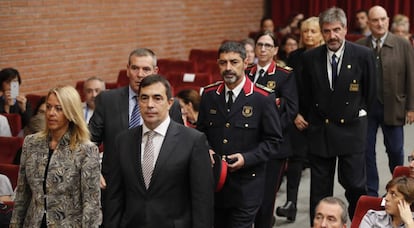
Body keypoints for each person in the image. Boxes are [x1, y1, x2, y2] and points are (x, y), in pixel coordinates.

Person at [104, 75, 214, 227]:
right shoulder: (123, 141)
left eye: (157, 98)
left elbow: (202, 201)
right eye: (144, 98)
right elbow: (114, 197)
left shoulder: (193, 141)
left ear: (169, 103)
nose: (150, 105)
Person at [301, 7, 376, 225]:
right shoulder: (310, 58)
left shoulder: (363, 55)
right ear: (321, 32)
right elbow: (306, 94)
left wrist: (358, 113)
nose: (332, 36)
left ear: (344, 29)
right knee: (319, 190)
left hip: (351, 131)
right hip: (321, 131)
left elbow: (370, 94)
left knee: (355, 186)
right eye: (327, 31)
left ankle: (355, 222)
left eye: (336, 30)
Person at [197, 41, 283, 228]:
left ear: (246, 63)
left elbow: (274, 142)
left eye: (234, 62)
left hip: (247, 185)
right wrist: (207, 150)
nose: (228, 68)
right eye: (223, 63)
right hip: (215, 184)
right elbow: (201, 133)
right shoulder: (210, 95)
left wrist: (247, 158)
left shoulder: (262, 97)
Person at [9, 86, 102, 227]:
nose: (51, 113)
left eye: (59, 108)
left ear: (71, 112)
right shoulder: (31, 143)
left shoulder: (86, 150)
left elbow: (91, 204)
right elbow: (23, 193)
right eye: (49, 107)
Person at [356, 5, 414, 197]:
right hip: (367, 108)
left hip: (394, 106)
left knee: (396, 151)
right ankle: (371, 191)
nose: (379, 23)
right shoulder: (360, 45)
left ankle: (398, 189)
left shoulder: (402, 44)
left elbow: (411, 77)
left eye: (383, 19)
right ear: (368, 22)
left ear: (388, 20)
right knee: (366, 152)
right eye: (375, 20)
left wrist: (411, 107)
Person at [245, 30, 298, 227]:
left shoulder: (284, 75)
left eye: (268, 45)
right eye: (260, 44)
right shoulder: (247, 72)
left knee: (266, 198)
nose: (263, 49)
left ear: (276, 50)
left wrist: (270, 131)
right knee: (247, 195)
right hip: (247, 144)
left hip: (272, 146)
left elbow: (291, 110)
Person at [275, 16, 325, 222]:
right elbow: (289, 89)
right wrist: (295, 114)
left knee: (319, 164)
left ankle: (318, 209)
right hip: (298, 116)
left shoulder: (325, 55)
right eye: (306, 32)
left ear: (321, 33)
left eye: (313, 31)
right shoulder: (294, 56)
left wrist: (314, 117)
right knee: (295, 161)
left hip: (320, 118)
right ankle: (291, 204)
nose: (309, 35)